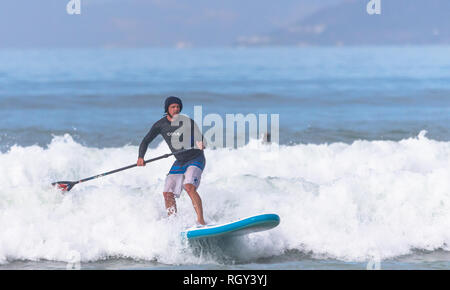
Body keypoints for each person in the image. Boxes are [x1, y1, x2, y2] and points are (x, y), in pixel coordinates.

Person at [137, 96, 207, 225]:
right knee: (167, 193)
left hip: (195, 158)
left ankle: (201, 221)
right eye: (173, 107)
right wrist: (141, 157)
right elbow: (146, 141)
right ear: (167, 109)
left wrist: (200, 143)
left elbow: (201, 138)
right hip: (180, 161)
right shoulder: (160, 125)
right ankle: (173, 223)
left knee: (189, 186)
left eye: (178, 107)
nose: (176, 109)